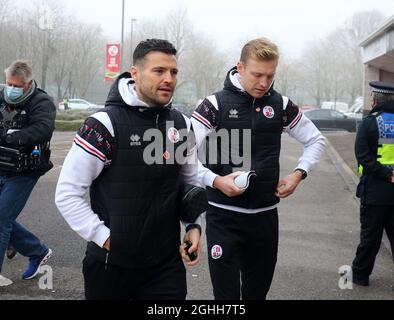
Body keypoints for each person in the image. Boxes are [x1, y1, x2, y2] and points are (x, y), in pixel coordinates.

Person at [55, 39, 203, 300]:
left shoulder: (182, 124)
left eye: (174, 72)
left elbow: (191, 180)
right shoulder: (103, 124)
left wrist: (194, 225)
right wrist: (105, 238)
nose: (168, 78)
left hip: (165, 266)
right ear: (135, 73)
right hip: (111, 266)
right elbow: (67, 194)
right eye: (159, 71)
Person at [191, 37, 326, 300]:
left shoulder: (281, 105)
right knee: (226, 298)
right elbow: (181, 155)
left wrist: (299, 173)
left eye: (270, 75)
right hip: (223, 217)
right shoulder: (213, 105)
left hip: (265, 218)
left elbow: (315, 140)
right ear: (239, 67)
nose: (264, 83)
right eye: (257, 75)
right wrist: (215, 181)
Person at [0, 60, 55, 287]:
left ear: (28, 83)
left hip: (26, 170)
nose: (11, 88)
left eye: (16, 85)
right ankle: (37, 251)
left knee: (1, 218)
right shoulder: (3, 96)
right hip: (2, 164)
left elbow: (42, 129)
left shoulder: (42, 102)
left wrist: (13, 136)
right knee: (4, 218)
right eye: (8, 83)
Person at [348, 81, 394, 287]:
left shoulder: (369, 123)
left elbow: (364, 157)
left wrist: (386, 174)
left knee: (370, 236)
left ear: (375, 100)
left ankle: (359, 275)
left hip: (375, 191)